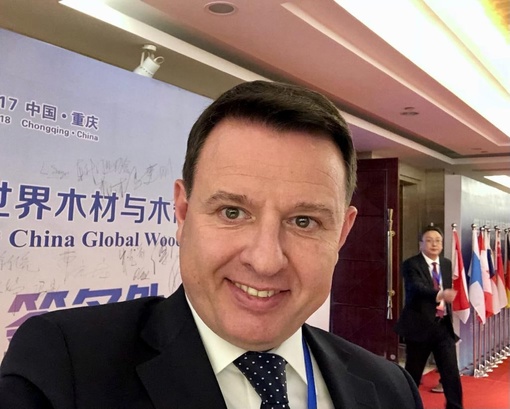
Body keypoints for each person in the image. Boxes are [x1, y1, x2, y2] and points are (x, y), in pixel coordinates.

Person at [0, 80, 423, 409]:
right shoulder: (63, 366)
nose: (265, 260)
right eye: (232, 212)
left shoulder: (391, 390)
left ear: (342, 234)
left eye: (304, 221)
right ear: (183, 213)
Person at [394, 225, 463, 409]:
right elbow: (417, 288)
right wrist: (440, 295)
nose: (434, 244)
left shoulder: (446, 264)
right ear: (421, 244)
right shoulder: (411, 264)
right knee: (413, 374)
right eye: (430, 241)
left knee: (451, 372)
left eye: (438, 241)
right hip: (419, 327)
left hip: (442, 326)